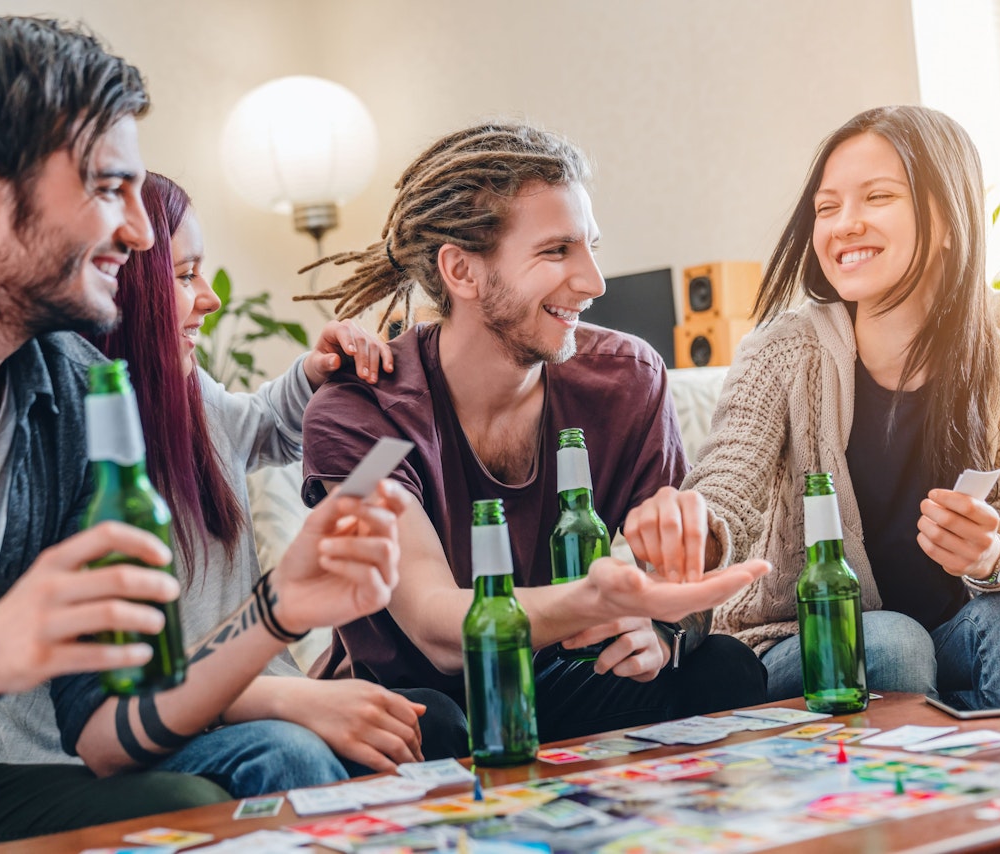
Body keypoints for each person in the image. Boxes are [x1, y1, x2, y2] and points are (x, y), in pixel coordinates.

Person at [0, 17, 406, 852]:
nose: (141, 232)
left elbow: (108, 733)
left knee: (182, 804)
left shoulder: (72, 394)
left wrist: (279, 609)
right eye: (110, 188)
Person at [299, 122, 770, 744]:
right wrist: (594, 601)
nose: (594, 282)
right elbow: (437, 629)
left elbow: (677, 591)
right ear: (462, 271)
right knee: (432, 724)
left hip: (556, 678)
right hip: (423, 704)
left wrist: (663, 627)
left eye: (590, 247)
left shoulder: (625, 379)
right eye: (556, 251)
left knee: (723, 668)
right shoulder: (364, 411)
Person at [0, 172, 468, 780]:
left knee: (434, 721)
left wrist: (316, 373)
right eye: (186, 276)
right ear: (122, 287)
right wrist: (288, 695)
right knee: (288, 753)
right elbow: (117, 694)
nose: (210, 299)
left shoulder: (190, 395)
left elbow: (262, 424)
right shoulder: (65, 443)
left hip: (240, 705)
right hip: (99, 750)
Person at [677, 105, 1000, 702]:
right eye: (827, 208)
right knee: (892, 643)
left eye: (877, 197)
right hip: (803, 641)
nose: (844, 225)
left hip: (956, 636)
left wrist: (992, 555)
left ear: (948, 218)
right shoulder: (781, 351)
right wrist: (692, 529)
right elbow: (726, 487)